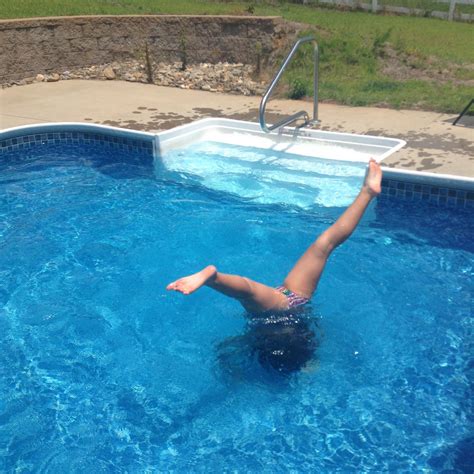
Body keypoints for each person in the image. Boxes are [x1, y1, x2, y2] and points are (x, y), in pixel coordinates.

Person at [166, 159, 382, 317]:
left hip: (293, 299)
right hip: (287, 303)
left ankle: (367, 192)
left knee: (324, 245)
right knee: (324, 245)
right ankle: (367, 192)